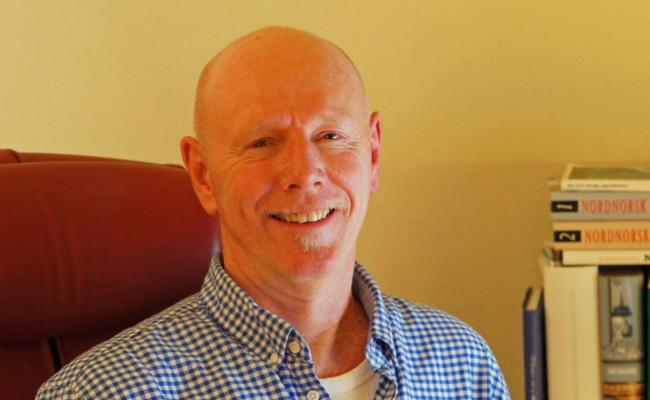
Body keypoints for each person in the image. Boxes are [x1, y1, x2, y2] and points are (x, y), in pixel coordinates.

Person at [37, 27, 510, 399]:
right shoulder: (102, 392)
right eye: (262, 142)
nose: (305, 174)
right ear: (203, 174)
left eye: (331, 136)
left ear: (373, 153)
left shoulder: (464, 364)